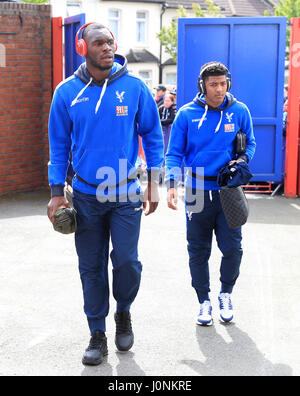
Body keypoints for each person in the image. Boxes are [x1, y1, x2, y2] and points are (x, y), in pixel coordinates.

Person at [47, 22, 164, 365]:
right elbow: (58, 145)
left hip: (126, 191)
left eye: (110, 42)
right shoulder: (66, 93)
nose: (107, 48)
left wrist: (154, 182)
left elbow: (153, 136)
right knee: (91, 267)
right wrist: (57, 193)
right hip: (84, 196)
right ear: (82, 48)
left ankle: (123, 312)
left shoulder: (135, 87)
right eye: (99, 43)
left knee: (128, 262)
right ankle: (97, 332)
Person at [165, 61, 256, 326]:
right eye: (213, 84)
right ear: (202, 86)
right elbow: (174, 153)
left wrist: (242, 161)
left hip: (229, 190)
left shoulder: (239, 111)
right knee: (198, 250)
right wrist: (171, 184)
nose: (219, 89)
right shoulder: (186, 114)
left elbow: (250, 142)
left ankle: (225, 294)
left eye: (223, 83)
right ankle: (203, 301)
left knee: (233, 249)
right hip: (196, 191)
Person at [158, 94, 176, 161]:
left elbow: (172, 119)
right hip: (162, 129)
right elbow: (157, 119)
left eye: (168, 101)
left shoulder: (174, 108)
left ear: (172, 102)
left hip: (169, 129)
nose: (166, 102)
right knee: (161, 145)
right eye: (165, 101)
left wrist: (161, 122)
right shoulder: (161, 108)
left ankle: (167, 160)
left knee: (167, 144)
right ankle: (161, 161)